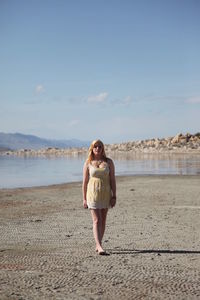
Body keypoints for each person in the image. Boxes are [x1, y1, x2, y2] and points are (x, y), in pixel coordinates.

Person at [82, 139, 116, 255]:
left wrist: (114, 196)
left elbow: (112, 180)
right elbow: (85, 182)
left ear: (103, 149)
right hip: (92, 194)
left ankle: (99, 243)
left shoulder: (109, 162)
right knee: (96, 220)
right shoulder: (88, 162)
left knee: (103, 220)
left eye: (100, 147)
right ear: (92, 148)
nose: (97, 149)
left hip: (106, 194)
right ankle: (99, 245)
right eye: (95, 146)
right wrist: (84, 199)